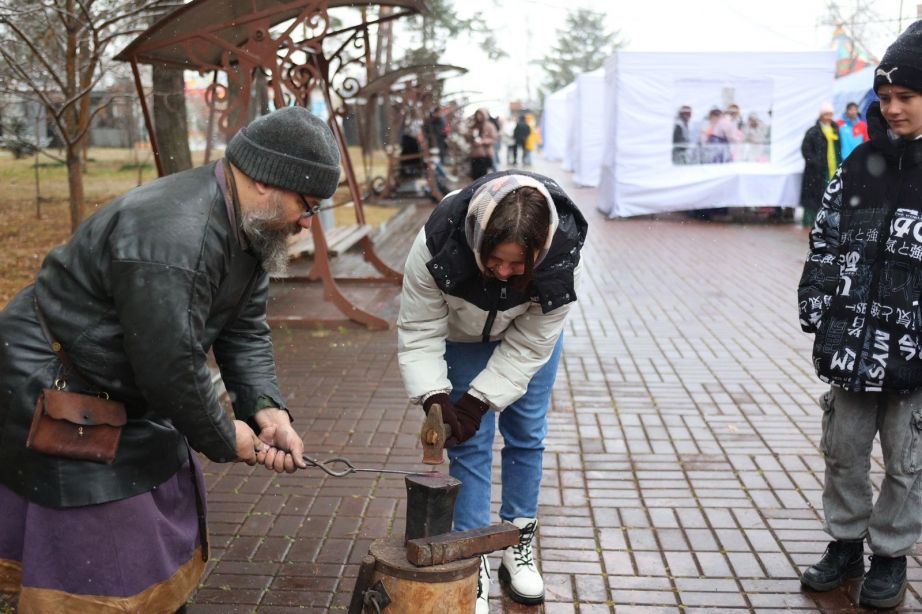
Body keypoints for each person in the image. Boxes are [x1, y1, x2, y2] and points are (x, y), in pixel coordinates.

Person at [0, 106, 340, 612]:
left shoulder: (250, 226)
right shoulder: (176, 236)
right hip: (54, 378)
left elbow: (243, 329)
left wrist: (268, 411)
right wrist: (228, 436)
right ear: (268, 182)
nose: (305, 222)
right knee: (101, 550)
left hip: (118, 381)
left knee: (149, 510)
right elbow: (172, 367)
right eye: (306, 205)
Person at [396, 171, 587, 613]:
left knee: (525, 434)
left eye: (518, 265)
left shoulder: (561, 254)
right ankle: (474, 552)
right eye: (495, 260)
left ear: (539, 252)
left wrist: (481, 400)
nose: (503, 272)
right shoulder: (438, 242)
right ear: (479, 238)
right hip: (461, 337)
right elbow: (419, 327)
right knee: (468, 440)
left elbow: (532, 343)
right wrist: (436, 398)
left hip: (526, 338)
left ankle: (517, 541)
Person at [797, 21, 922, 609]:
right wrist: (818, 308)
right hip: (850, 341)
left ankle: (890, 556)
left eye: (906, 97)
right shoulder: (857, 165)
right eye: (886, 98)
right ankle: (845, 544)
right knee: (843, 449)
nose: (893, 108)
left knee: (906, 461)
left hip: (915, 354)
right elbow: (824, 240)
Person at [799, 102, 842, 228]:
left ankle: (827, 221)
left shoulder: (835, 130)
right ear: (821, 115)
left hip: (832, 168)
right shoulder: (813, 132)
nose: (828, 117)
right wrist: (815, 163)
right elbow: (806, 151)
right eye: (826, 114)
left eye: (830, 114)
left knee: (830, 195)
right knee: (813, 197)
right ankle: (810, 221)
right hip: (816, 171)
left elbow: (838, 148)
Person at [467, 108, 498, 180]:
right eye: (477, 114)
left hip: (485, 154)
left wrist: (483, 141)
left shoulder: (489, 125)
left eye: (480, 114)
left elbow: (494, 139)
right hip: (475, 154)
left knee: (484, 176)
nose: (478, 116)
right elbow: (468, 138)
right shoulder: (473, 126)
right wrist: (470, 134)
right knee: (475, 175)